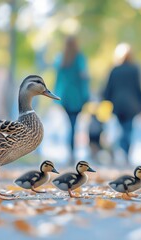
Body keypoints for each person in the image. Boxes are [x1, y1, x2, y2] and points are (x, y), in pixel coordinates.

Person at [103, 43, 141, 164]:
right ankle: (125, 152)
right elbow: (139, 89)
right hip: (132, 104)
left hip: (118, 104)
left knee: (120, 129)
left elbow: (108, 88)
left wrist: (107, 100)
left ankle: (121, 150)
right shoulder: (135, 69)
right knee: (128, 129)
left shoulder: (115, 70)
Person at [54, 36, 90, 165]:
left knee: (70, 124)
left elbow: (58, 79)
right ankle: (72, 152)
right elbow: (84, 77)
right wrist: (86, 94)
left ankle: (70, 152)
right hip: (77, 96)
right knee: (73, 124)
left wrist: (55, 96)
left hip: (65, 96)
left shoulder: (60, 58)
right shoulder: (79, 58)